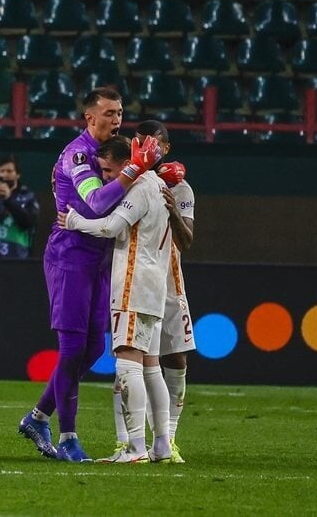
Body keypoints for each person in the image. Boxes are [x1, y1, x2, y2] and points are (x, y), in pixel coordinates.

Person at [17, 88, 162, 462]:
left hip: (100, 259)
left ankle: (37, 417)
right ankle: (68, 437)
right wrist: (133, 169)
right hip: (70, 256)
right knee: (71, 349)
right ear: (89, 117)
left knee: (95, 348)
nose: (117, 119)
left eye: (120, 112)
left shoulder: (113, 152)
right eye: (109, 113)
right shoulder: (77, 155)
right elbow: (96, 202)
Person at [59, 130, 173, 463]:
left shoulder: (140, 187)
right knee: (150, 367)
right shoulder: (159, 185)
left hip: (133, 283)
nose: (107, 178)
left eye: (108, 170)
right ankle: (162, 444)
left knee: (126, 363)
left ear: (126, 163)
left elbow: (110, 227)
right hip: (155, 283)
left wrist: (75, 221)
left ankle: (135, 448)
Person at [105, 123, 192, 463]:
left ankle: (166, 439)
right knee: (136, 360)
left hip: (168, 281)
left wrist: (174, 211)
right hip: (143, 277)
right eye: (141, 142)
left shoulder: (180, 188)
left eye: (154, 143)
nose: (148, 148)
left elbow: (186, 241)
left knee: (171, 359)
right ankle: (126, 440)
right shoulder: (132, 180)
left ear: (166, 148)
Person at [0, 156, 40, 259]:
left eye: (9, 171)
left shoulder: (28, 196)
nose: (5, 175)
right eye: (2, 171)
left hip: (17, 254)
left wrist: (9, 199)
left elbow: (29, 222)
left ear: (18, 174)